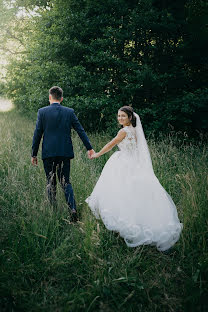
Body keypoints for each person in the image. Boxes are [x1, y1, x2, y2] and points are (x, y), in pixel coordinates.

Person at [86, 106, 183, 251]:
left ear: (130, 117)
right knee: (132, 194)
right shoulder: (135, 131)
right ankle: (136, 222)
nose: (120, 118)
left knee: (119, 192)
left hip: (123, 163)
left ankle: (122, 225)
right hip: (134, 164)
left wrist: (97, 154)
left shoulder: (123, 131)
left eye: (123, 116)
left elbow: (110, 145)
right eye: (118, 116)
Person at [31, 86, 94, 222]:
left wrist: (34, 154)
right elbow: (80, 130)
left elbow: (37, 134)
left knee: (50, 182)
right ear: (62, 98)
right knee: (66, 182)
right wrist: (89, 148)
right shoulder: (69, 112)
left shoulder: (42, 112)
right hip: (64, 153)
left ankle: (53, 211)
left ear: (50, 97)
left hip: (48, 153)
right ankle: (72, 208)